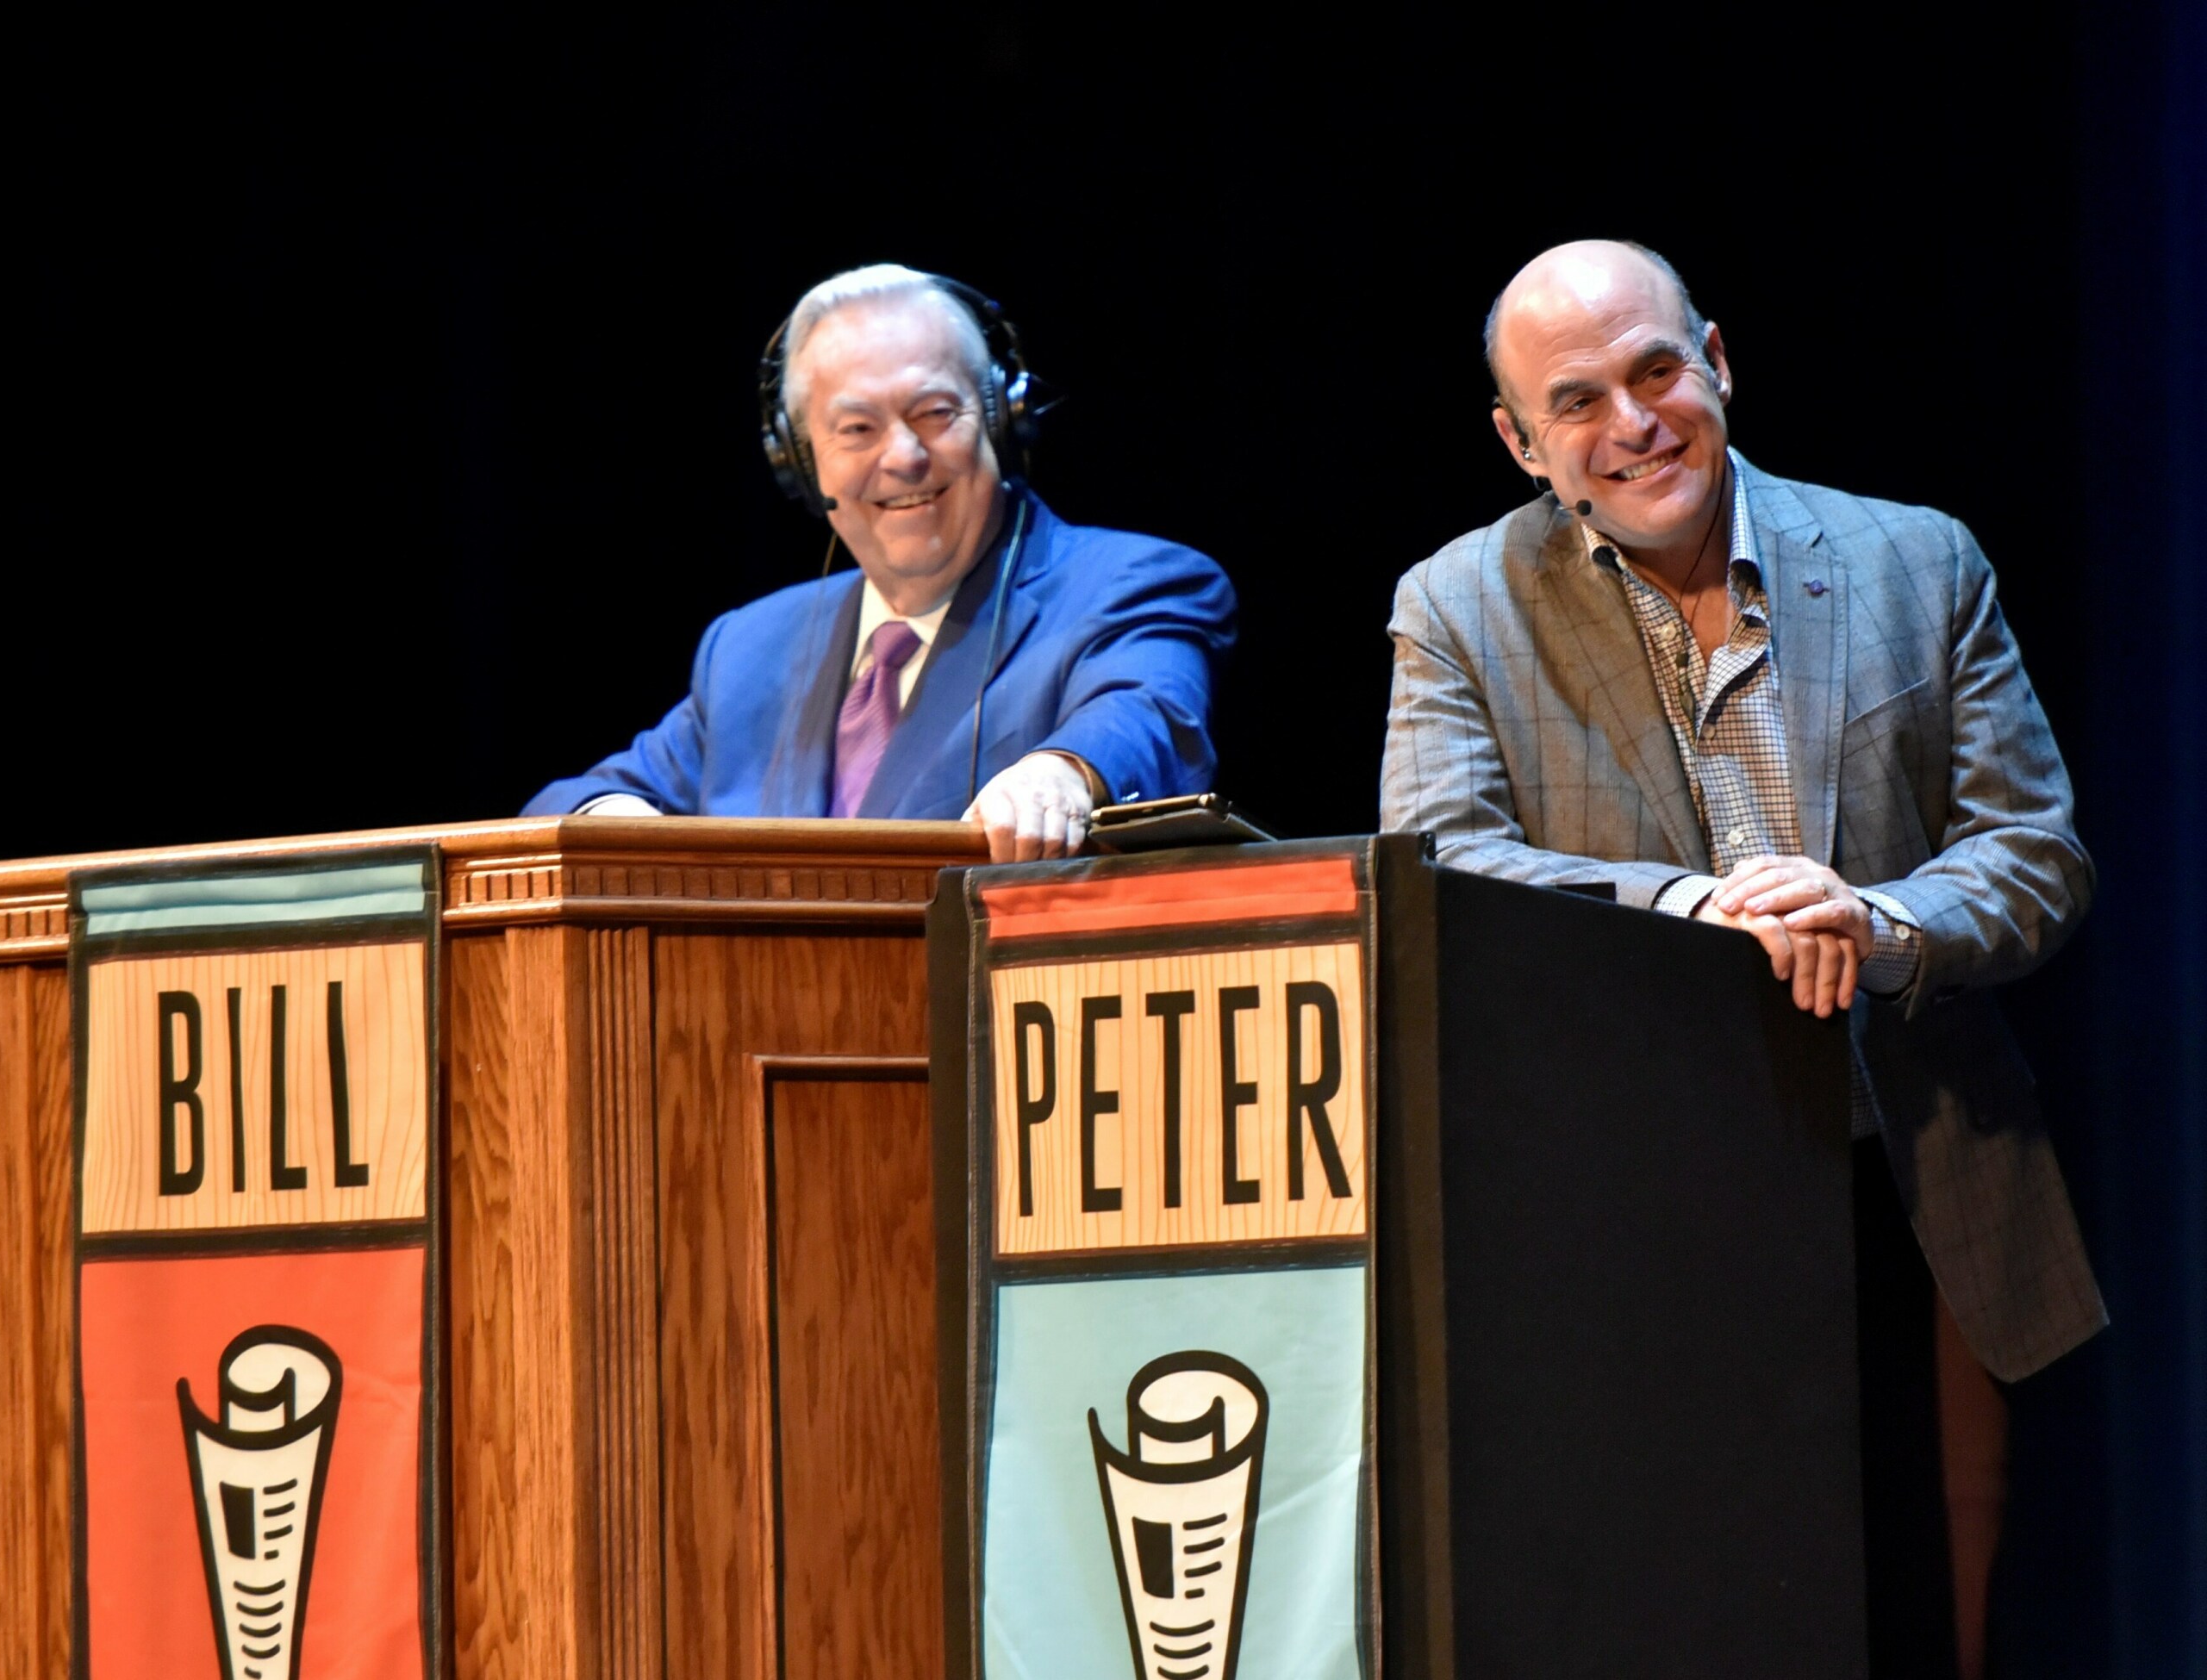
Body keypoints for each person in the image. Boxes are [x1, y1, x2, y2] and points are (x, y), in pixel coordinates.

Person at [1380, 239, 2101, 1679]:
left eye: (1656, 371)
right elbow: (1440, 863)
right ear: (1524, 444)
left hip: (1921, 1187)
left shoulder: (1917, 558)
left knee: (1945, 1630)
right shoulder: (1456, 605)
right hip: (1629, 1216)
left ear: (1716, 355)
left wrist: (1881, 923)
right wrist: (1693, 910)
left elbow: (2037, 857)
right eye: (1576, 403)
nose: (1635, 423)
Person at [525, 264, 1236, 862]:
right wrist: (616, 824)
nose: (903, 457)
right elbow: (579, 800)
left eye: (934, 413)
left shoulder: (1134, 584)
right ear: (802, 463)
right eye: (857, 429)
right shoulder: (749, 647)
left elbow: (1147, 713)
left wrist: (1067, 773)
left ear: (1000, 418)